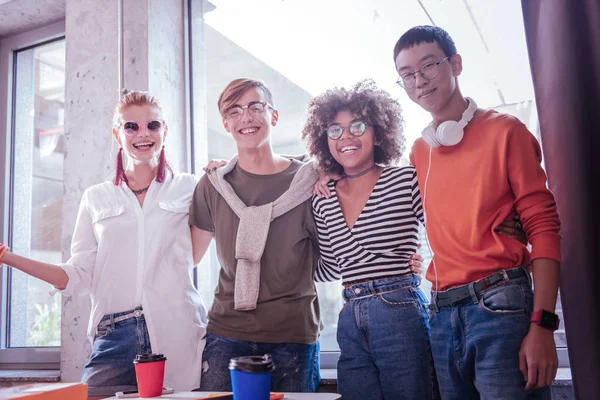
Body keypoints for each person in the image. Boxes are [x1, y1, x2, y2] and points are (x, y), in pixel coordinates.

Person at [0, 90, 207, 396]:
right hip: (115, 333)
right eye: (131, 126)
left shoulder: (191, 187)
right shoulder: (96, 197)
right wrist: (7, 257)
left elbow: (194, 255)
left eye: (153, 125)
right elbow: (76, 274)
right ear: (117, 134)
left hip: (176, 328)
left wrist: (222, 171)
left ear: (165, 131)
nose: (143, 134)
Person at [393, 26, 561, 399]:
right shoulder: (421, 151)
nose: (418, 81)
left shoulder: (507, 132)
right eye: (406, 74)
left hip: (500, 307)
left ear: (455, 64)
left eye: (429, 66)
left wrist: (544, 326)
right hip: (442, 314)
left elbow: (544, 228)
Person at [302, 79, 438, 400]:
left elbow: (442, 232)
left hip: (399, 309)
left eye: (358, 126)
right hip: (349, 316)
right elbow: (331, 269)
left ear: (378, 132)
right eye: (334, 130)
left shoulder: (404, 179)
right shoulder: (323, 196)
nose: (346, 136)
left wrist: (421, 265)